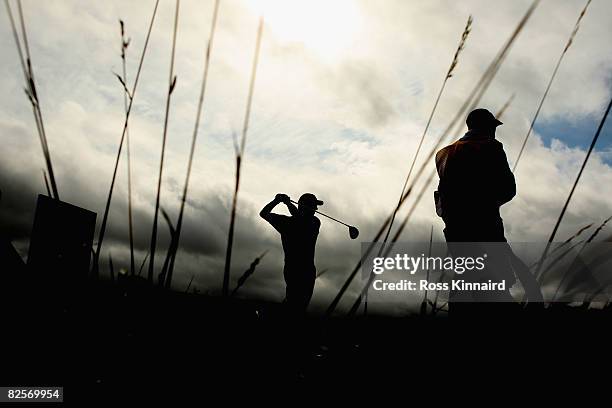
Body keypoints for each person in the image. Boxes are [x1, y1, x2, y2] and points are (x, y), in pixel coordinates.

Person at [434, 108, 542, 308]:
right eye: (493, 127)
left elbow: (442, 194)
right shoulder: (491, 146)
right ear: (487, 127)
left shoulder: (443, 154)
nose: (494, 131)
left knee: (463, 283)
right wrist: (489, 204)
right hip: (486, 227)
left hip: (455, 230)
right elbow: (508, 189)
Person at [260, 193, 322, 314]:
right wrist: (280, 201)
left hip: (300, 270)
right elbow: (264, 214)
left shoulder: (310, 222)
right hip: (298, 270)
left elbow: (264, 213)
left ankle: (269, 314)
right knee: (295, 305)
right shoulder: (312, 222)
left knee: (296, 305)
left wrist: (278, 201)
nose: (316, 209)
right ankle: (267, 314)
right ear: (304, 207)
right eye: (314, 206)